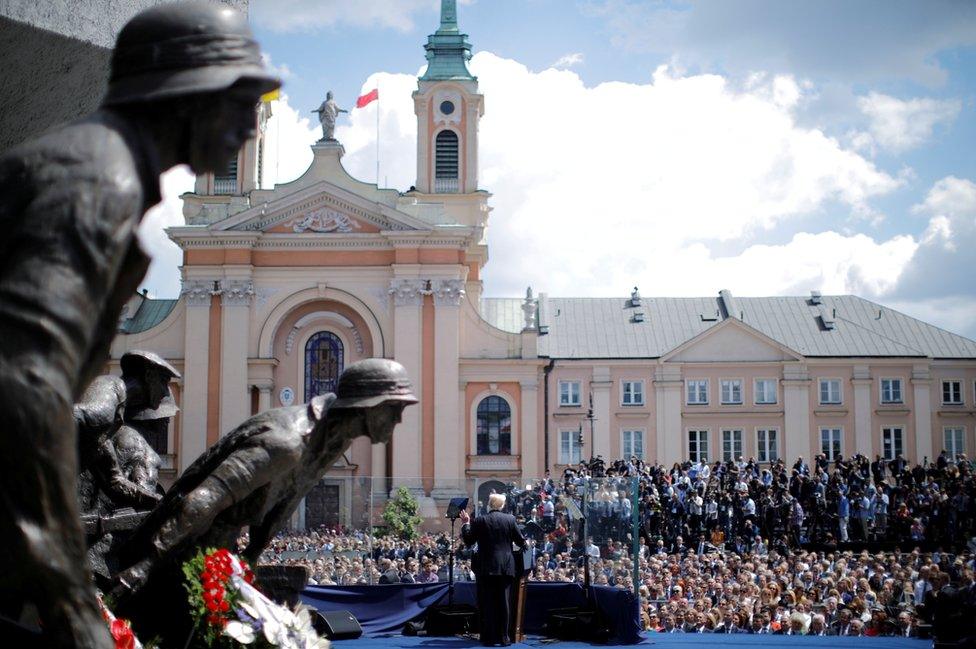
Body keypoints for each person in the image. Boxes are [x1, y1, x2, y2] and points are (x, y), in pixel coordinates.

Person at [0, 4, 279, 645]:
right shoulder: (97, 180)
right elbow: (24, 392)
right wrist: (71, 598)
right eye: (239, 100)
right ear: (187, 96)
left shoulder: (105, 169)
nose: (249, 123)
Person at [112, 358, 417, 643]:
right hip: (178, 547)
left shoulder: (334, 438)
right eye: (394, 408)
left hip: (216, 545)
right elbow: (206, 498)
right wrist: (146, 564)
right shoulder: (286, 441)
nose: (399, 419)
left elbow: (288, 498)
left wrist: (252, 557)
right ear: (366, 406)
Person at [459, 493, 527, 646]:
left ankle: (489, 638)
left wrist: (466, 523)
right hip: (506, 566)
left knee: (488, 603)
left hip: (487, 567)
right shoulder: (510, 519)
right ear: (502, 505)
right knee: (504, 603)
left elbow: (469, 541)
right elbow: (521, 542)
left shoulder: (480, 520)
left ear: (489, 505)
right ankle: (504, 638)